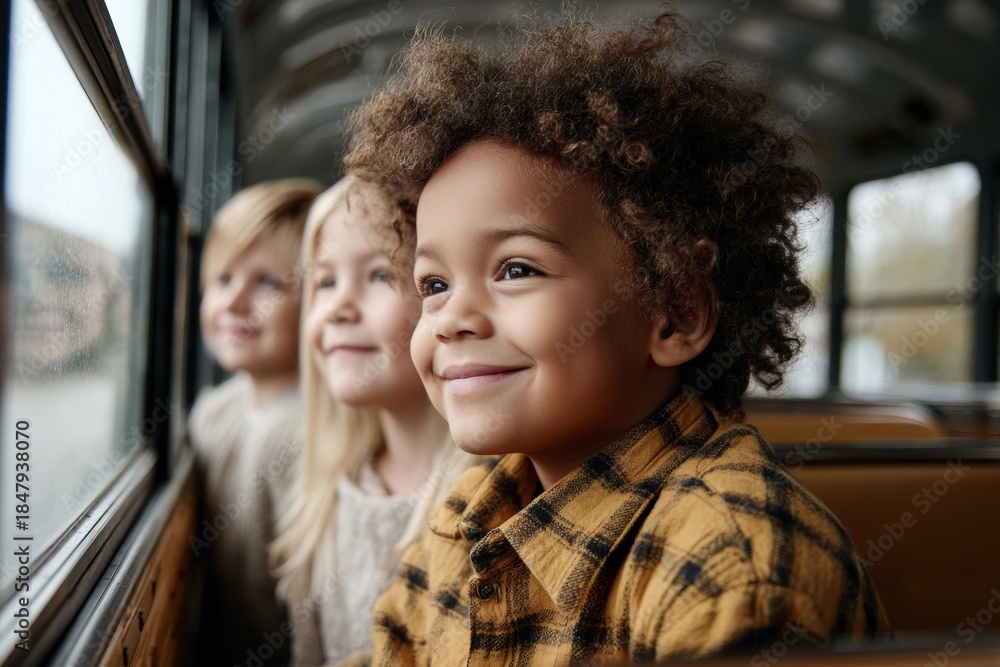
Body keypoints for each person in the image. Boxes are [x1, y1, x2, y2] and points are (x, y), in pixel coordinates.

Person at [341, 7, 893, 665]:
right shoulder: (475, 504)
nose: (450, 317)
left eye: (516, 269)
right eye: (433, 283)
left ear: (674, 315)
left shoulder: (734, 562)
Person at [269, 175, 478, 666]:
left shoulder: (489, 498)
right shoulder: (320, 499)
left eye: (380, 275)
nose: (338, 307)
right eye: (325, 282)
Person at [188, 178, 321, 666]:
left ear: (317, 301)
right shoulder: (213, 413)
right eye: (223, 279)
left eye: (268, 283)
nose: (235, 300)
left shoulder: (314, 433)